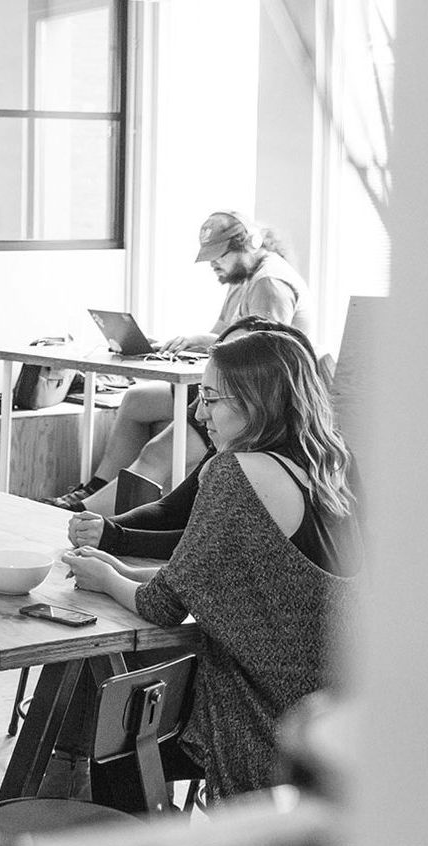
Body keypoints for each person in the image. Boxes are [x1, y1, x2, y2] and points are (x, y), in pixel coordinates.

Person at [62, 333, 361, 805]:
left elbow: (162, 605)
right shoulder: (321, 469)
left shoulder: (235, 471)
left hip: (266, 723)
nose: (200, 415)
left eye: (210, 399)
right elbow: (211, 580)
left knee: (113, 738)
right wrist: (118, 568)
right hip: (330, 714)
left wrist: (107, 580)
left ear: (255, 402)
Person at [44, 210, 312, 513]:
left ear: (248, 244)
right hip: (227, 388)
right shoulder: (242, 280)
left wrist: (203, 341)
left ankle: (90, 515)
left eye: (220, 256)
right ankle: (95, 488)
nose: (214, 264)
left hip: (251, 399)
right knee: (135, 400)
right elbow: (221, 336)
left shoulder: (270, 283)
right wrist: (178, 346)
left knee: (156, 452)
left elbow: (261, 356)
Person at [67, 318, 320, 560]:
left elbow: (194, 557)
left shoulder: (252, 468)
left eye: (212, 397)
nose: (199, 414)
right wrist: (103, 527)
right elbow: (174, 511)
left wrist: (112, 539)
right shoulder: (247, 444)